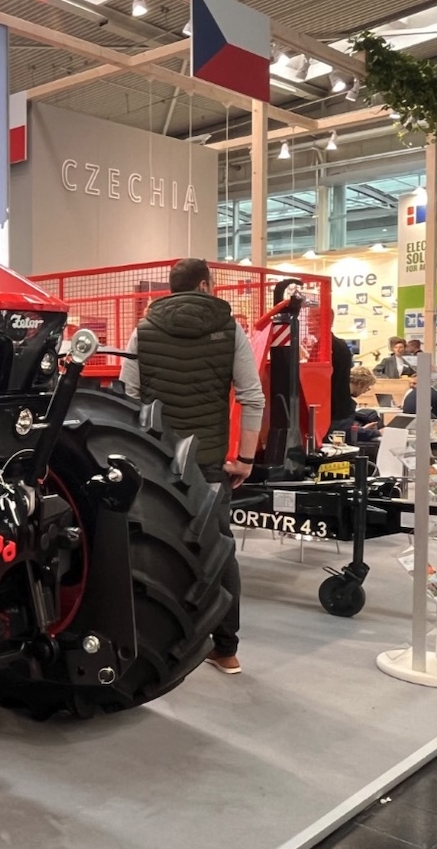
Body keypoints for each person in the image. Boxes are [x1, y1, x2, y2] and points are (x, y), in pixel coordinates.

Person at [119, 258, 264, 676]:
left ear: (172, 287)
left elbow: (128, 396)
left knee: (152, 548)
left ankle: (158, 644)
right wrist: (246, 459)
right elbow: (252, 397)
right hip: (209, 462)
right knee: (219, 550)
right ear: (205, 285)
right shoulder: (230, 329)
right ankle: (226, 649)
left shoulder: (143, 330)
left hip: (157, 461)